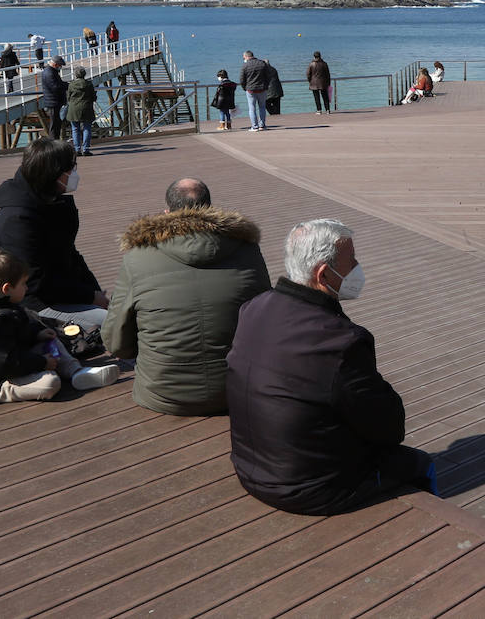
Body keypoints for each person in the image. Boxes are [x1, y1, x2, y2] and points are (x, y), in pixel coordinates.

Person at [227, 218, 434, 515]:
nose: (358, 268)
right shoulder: (342, 342)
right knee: (420, 464)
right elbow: (389, 427)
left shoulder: (254, 308)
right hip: (311, 489)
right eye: (353, 262)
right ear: (324, 275)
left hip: (248, 469)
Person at [103, 178, 271, 415]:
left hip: (162, 393)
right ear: (211, 210)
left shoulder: (138, 255)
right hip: (239, 389)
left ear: (166, 213)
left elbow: (115, 342)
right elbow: (268, 319)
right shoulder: (247, 249)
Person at [0, 250, 119, 405]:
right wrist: (41, 363)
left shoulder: (2, 303)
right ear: (7, 288)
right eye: (23, 284)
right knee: (50, 384)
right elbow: (5, 362)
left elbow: (18, 328)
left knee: (50, 338)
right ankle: (33, 380)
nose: (27, 289)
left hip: (14, 360)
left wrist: (37, 334)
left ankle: (76, 372)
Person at [0, 137, 108, 329]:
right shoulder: (17, 222)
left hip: (58, 294)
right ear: (53, 174)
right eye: (71, 168)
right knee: (115, 324)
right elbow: (35, 284)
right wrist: (90, 296)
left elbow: (70, 255)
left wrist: (95, 292)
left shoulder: (48, 202)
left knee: (118, 313)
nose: (74, 173)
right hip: (33, 304)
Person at [67, 67, 96, 156]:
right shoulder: (89, 84)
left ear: (75, 75)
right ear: (84, 75)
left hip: (74, 109)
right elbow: (94, 97)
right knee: (87, 128)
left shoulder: (71, 85)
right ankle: (86, 149)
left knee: (75, 129)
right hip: (86, 108)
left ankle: (77, 150)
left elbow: (68, 97)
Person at [40, 56, 68, 141]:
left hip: (54, 101)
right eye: (60, 65)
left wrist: (66, 84)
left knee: (57, 123)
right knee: (54, 124)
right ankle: (53, 142)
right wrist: (66, 86)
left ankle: (55, 141)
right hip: (53, 102)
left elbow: (57, 84)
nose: (60, 67)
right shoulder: (49, 72)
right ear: (55, 64)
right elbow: (55, 87)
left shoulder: (51, 71)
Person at [240, 51, 269, 131]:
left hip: (250, 90)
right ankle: (262, 125)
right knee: (262, 107)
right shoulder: (262, 64)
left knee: (252, 108)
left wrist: (244, 88)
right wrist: (266, 86)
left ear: (246, 56)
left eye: (243, 57)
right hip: (262, 89)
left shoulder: (245, 65)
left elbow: (242, 79)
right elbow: (268, 76)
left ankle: (254, 126)